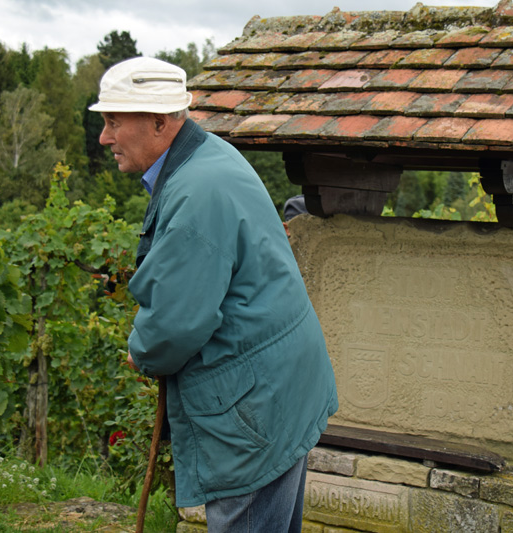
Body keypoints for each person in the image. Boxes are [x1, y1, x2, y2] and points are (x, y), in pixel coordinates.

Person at [89, 57, 338, 532]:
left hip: (253, 405)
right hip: (274, 386)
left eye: (114, 121)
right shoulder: (208, 157)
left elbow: (175, 323)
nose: (105, 137)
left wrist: (142, 351)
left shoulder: (196, 193)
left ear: (159, 122)